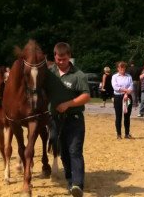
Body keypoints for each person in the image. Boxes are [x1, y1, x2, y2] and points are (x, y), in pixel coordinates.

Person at [45, 42, 90, 197]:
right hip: (55, 120)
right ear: (55, 57)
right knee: (63, 153)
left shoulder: (78, 75)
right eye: (58, 59)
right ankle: (71, 183)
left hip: (74, 119)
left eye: (64, 59)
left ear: (69, 56)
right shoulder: (50, 73)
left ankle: (78, 184)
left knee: (74, 151)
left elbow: (86, 96)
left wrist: (69, 104)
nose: (61, 62)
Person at [111, 61, 133, 139]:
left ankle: (127, 134)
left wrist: (126, 94)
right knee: (118, 116)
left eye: (123, 67)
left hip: (128, 97)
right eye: (120, 67)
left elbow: (131, 87)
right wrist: (125, 91)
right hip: (118, 97)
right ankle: (119, 134)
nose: (122, 69)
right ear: (118, 68)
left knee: (127, 116)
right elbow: (115, 87)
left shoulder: (129, 76)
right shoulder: (114, 77)